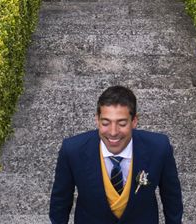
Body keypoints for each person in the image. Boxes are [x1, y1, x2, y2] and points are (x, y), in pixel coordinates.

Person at [49, 85, 183, 223]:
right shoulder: (72, 150)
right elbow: (60, 203)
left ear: (134, 121)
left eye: (122, 123)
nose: (113, 132)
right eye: (106, 123)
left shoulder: (159, 148)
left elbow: (172, 198)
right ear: (97, 120)